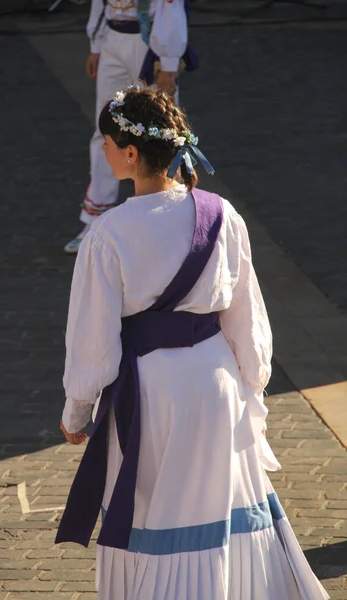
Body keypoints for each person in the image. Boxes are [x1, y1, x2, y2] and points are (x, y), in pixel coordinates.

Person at [56, 86, 329, 600]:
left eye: (108, 141)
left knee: (160, 515)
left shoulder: (107, 235)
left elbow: (93, 340)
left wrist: (77, 411)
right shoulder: (223, 216)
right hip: (217, 384)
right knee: (219, 510)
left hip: (153, 395)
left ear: (132, 154)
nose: (103, 149)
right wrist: (252, 385)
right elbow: (247, 316)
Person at [63, 0, 191, 254]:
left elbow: (170, 8)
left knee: (162, 131)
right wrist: (97, 45)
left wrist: (167, 64)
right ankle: (95, 221)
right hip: (113, 37)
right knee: (105, 131)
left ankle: (173, 218)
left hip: (147, 41)